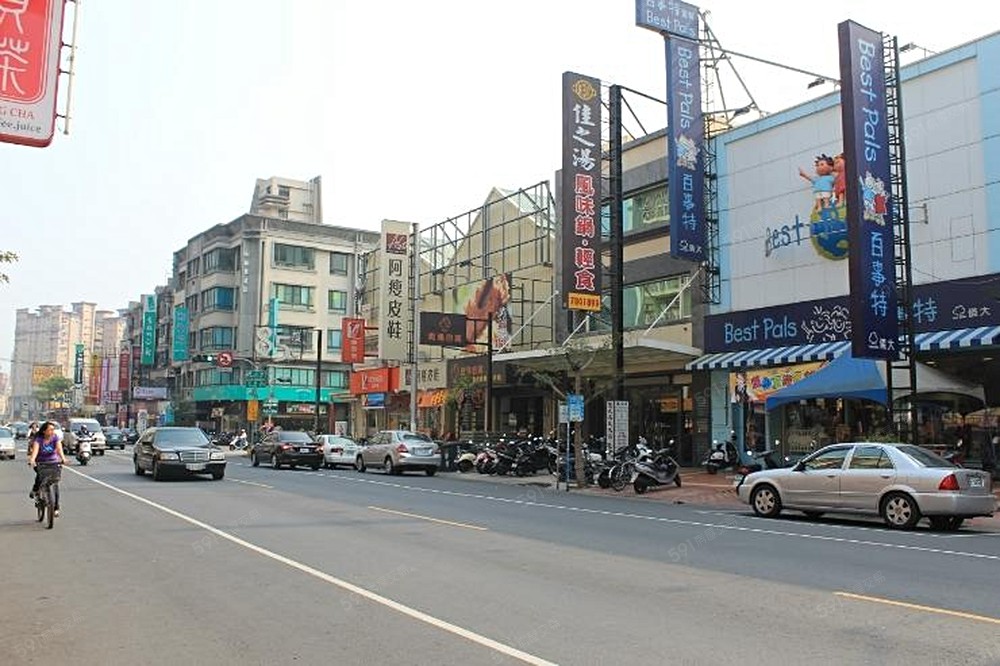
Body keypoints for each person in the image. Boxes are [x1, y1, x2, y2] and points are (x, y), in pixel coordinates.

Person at [28, 421, 67, 517]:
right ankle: (36, 490)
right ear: (44, 431)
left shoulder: (55, 438)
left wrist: (63, 458)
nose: (52, 432)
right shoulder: (39, 439)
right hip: (41, 463)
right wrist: (32, 460)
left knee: (55, 484)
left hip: (53, 462)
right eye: (50, 430)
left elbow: (59, 449)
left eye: (53, 430)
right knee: (40, 477)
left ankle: (56, 507)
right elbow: (35, 451)